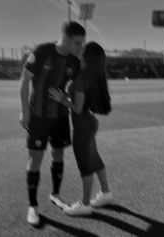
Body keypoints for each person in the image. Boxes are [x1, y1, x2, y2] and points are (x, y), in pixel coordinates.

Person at [19, 21, 86, 225]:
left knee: (58, 153)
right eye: (77, 43)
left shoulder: (74, 62)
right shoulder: (43, 51)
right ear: (64, 38)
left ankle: (55, 194)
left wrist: (65, 100)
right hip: (38, 116)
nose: (80, 47)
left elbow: (79, 87)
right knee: (36, 159)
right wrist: (24, 111)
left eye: (82, 43)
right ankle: (33, 206)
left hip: (60, 117)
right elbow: (24, 81)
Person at [49, 41, 114, 216]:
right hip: (89, 124)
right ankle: (106, 193)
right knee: (94, 159)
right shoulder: (89, 75)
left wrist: (62, 99)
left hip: (83, 127)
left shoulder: (81, 77)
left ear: (87, 57)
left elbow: (77, 107)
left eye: (83, 50)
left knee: (85, 166)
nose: (80, 50)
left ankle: (85, 204)